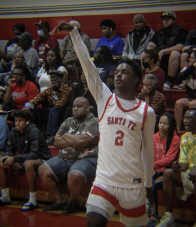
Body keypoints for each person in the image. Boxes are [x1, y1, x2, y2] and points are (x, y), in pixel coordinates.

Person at [52, 22, 155, 227]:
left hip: (132, 184)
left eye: (124, 72)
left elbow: (148, 151)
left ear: (136, 80)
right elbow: (87, 64)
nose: (118, 74)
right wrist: (74, 33)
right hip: (104, 181)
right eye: (117, 71)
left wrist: (148, 184)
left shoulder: (146, 111)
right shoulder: (104, 98)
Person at [156, 108, 196, 227]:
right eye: (184, 118)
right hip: (190, 174)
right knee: (168, 173)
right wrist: (178, 166)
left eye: (187, 118)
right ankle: (169, 217)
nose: (184, 121)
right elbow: (184, 163)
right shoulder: (185, 137)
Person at [39, 97, 99, 214]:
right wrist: (74, 140)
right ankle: (60, 201)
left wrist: (66, 136)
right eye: (74, 106)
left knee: (75, 175)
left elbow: (81, 142)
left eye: (79, 106)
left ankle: (72, 202)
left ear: (87, 108)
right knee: (43, 170)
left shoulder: (94, 121)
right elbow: (56, 142)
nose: (75, 109)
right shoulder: (68, 121)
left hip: (87, 159)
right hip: (65, 157)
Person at [0, 109, 51, 210]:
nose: (17, 123)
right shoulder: (14, 131)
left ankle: (33, 200)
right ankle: (5, 196)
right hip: (25, 159)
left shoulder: (34, 131)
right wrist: (7, 157)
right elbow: (10, 148)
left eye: (20, 120)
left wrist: (14, 159)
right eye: (16, 120)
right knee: (0, 161)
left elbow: (34, 154)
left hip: (42, 159)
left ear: (27, 121)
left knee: (28, 164)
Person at [24, 70, 72, 145]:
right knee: (33, 111)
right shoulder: (49, 90)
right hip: (51, 115)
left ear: (61, 79)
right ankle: (29, 133)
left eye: (57, 78)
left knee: (53, 109)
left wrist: (53, 95)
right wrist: (28, 108)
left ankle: (51, 136)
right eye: (52, 78)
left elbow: (59, 105)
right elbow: (36, 99)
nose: (54, 80)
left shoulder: (67, 89)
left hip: (63, 115)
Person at [148, 114, 180, 225]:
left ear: (171, 126)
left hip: (167, 172)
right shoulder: (154, 137)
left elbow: (169, 159)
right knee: (147, 181)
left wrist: (152, 165)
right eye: (160, 122)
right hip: (154, 170)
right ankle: (153, 214)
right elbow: (150, 154)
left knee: (154, 184)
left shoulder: (175, 139)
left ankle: (154, 214)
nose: (162, 125)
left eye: (165, 123)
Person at [147, 11, 188, 89]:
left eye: (168, 19)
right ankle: (149, 82)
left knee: (175, 53)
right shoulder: (159, 32)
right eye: (164, 19)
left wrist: (163, 51)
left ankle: (169, 81)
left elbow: (180, 47)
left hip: (173, 58)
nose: (165, 21)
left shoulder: (180, 31)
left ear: (174, 21)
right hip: (160, 57)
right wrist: (150, 50)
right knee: (146, 55)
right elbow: (151, 44)